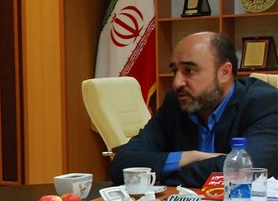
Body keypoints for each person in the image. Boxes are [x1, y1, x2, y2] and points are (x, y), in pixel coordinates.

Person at [109, 31, 278, 188]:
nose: (177, 83)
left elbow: (245, 172)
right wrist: (189, 156)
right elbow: (122, 164)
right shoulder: (176, 103)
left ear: (224, 72)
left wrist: (164, 173)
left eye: (189, 71)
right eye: (175, 71)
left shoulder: (266, 103)